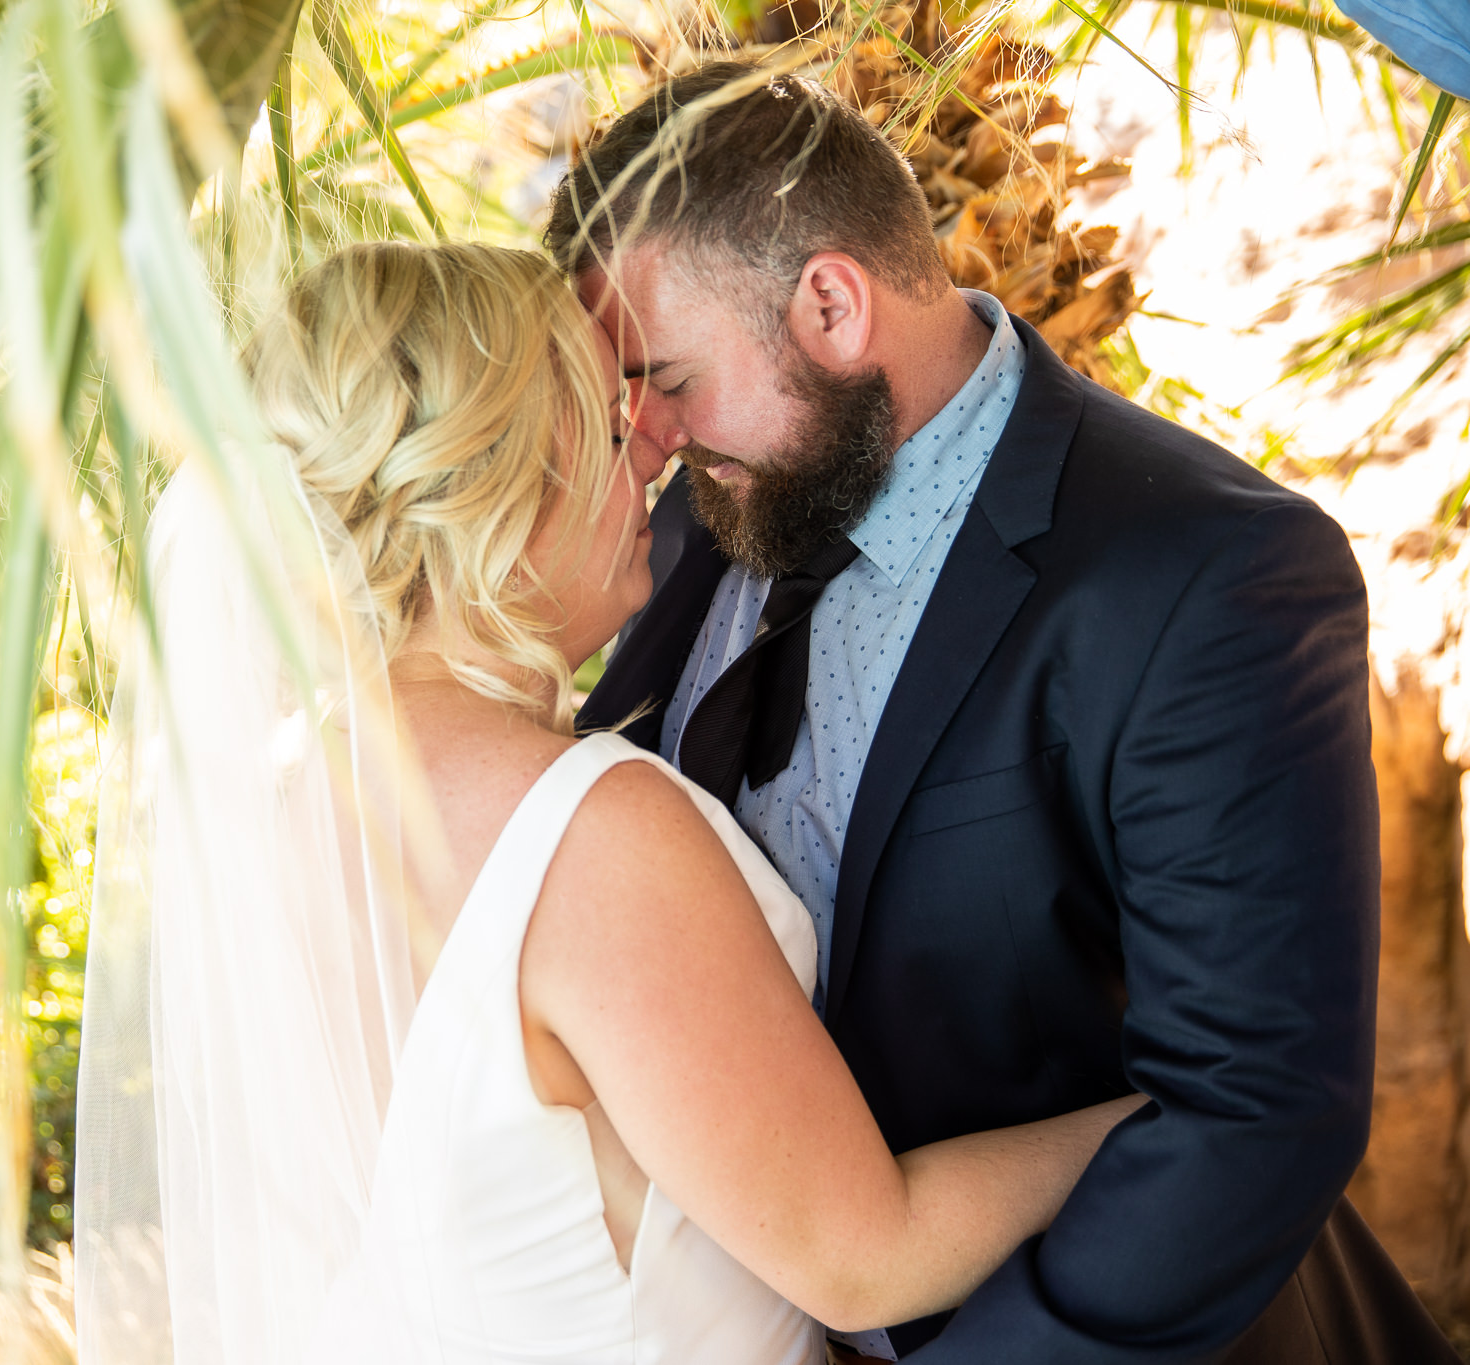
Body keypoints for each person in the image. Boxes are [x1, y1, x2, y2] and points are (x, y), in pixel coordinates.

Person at [76, 241, 1145, 1365]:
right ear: (488, 481)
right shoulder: (587, 836)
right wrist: (1157, 1118)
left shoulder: (282, 795)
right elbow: (861, 1257)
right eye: (599, 411)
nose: (653, 445)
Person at [549, 61, 1458, 1362]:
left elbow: (1256, 1112)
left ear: (829, 303)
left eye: (670, 378)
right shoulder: (722, 493)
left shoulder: (1207, 576)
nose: (645, 436)